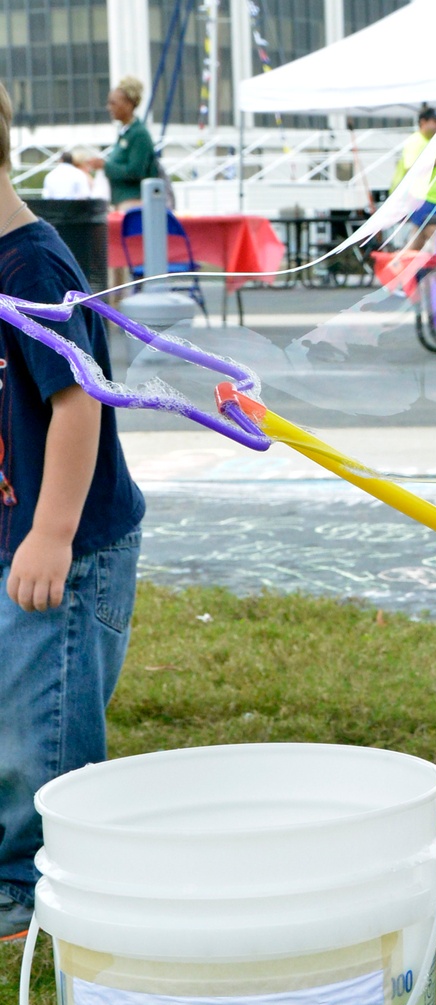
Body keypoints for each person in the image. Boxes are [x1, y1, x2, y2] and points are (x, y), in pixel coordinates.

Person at [0, 81, 144, 942]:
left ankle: (32, 885)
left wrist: (51, 534)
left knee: (38, 721)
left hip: (70, 543)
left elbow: (77, 405)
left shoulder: (32, 263)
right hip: (22, 533)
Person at [93, 77, 157, 208]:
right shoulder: (125, 133)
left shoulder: (139, 134)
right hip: (120, 202)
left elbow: (135, 171)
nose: (109, 107)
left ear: (129, 105)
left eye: (113, 103)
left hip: (134, 203)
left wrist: (105, 166)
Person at [390, 105, 436, 251]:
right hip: (419, 198)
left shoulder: (429, 142)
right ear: (423, 122)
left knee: (416, 244)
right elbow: (412, 168)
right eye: (434, 121)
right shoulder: (415, 141)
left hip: (431, 199)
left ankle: (396, 269)